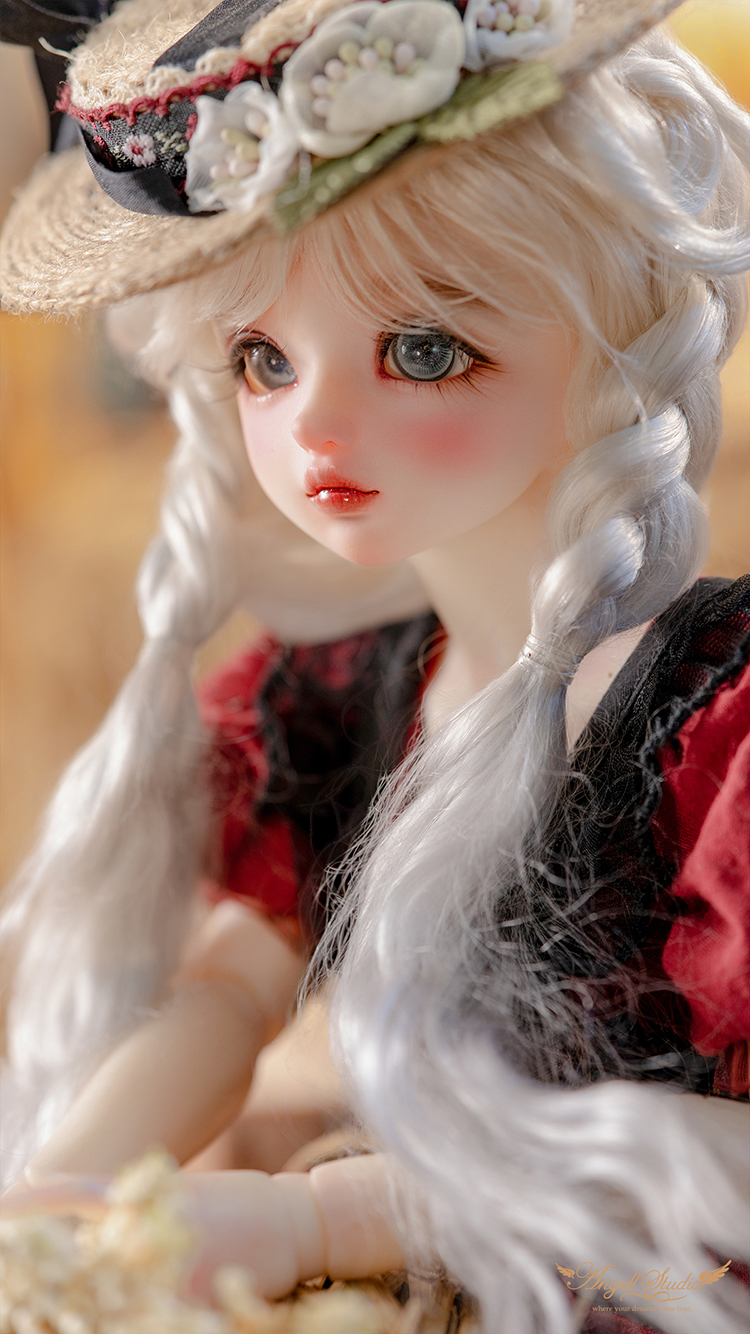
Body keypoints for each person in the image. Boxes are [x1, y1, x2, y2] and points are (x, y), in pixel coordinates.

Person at [0, 0, 748, 1329]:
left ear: (612, 326)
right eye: (263, 361)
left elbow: (711, 1163)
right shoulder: (338, 695)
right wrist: (55, 1199)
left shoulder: (715, 735)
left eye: (423, 351)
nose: (318, 432)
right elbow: (223, 992)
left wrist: (316, 1218)